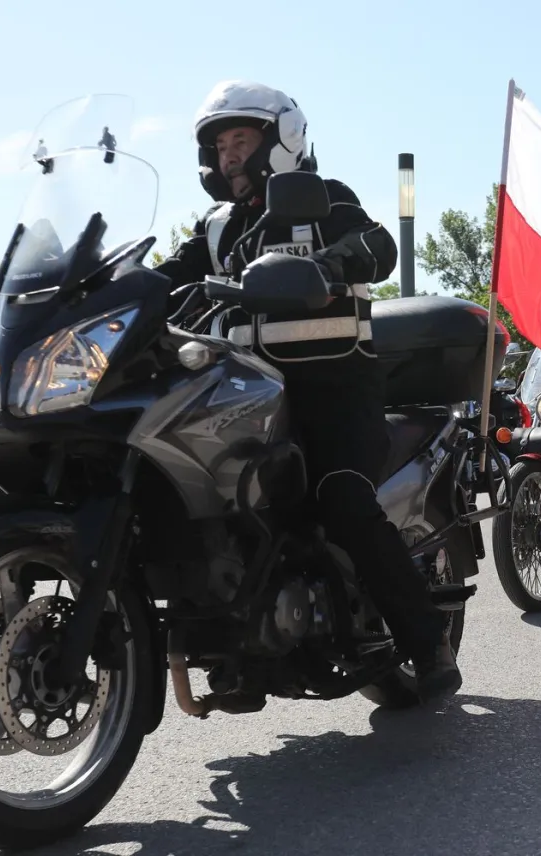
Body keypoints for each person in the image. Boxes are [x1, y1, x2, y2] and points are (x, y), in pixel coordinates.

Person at [154, 80, 459, 703]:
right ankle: (234, 646)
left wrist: (332, 264)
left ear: (281, 139)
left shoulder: (323, 202)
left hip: (335, 393)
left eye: (241, 139)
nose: (229, 154)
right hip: (248, 397)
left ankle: (427, 641)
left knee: (341, 499)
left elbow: (377, 245)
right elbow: (164, 280)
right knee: (213, 503)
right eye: (219, 145)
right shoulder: (214, 229)